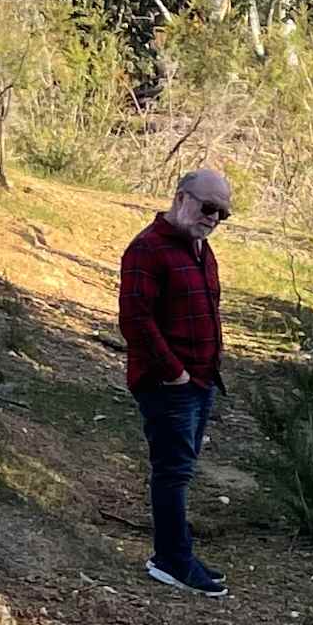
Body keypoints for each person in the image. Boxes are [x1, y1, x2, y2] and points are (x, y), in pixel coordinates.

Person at [119, 168, 234, 596]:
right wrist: (176, 374)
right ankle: (172, 560)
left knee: (180, 469)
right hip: (169, 385)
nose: (214, 218)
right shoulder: (147, 250)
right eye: (208, 207)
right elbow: (135, 321)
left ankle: (176, 551)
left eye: (223, 213)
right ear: (182, 197)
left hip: (201, 382)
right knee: (173, 472)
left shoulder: (201, 250)